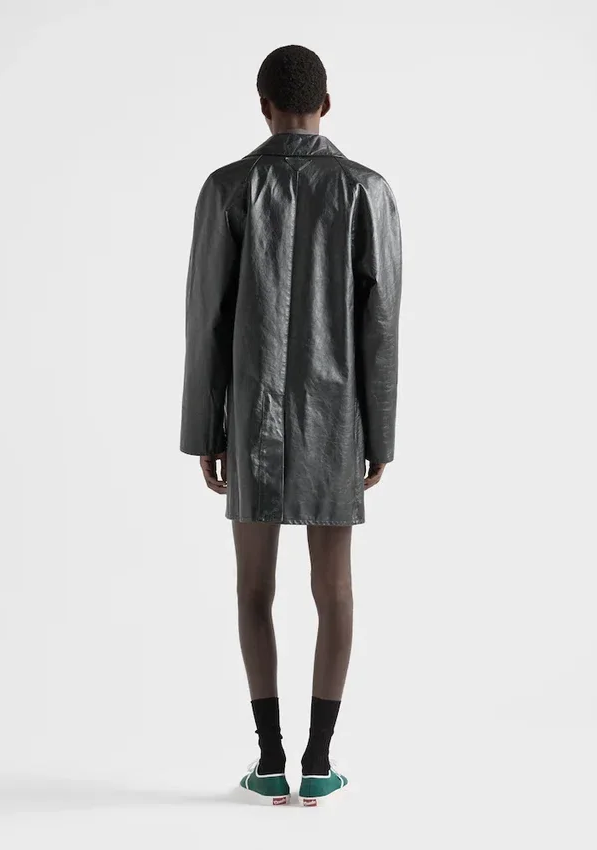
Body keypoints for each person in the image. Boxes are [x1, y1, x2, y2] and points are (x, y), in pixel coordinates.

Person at [179, 44, 402, 806]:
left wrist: (204, 430)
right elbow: (381, 323)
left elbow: (206, 320)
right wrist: (380, 434)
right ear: (326, 104)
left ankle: (269, 759)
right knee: (334, 589)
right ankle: (321, 761)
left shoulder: (227, 187)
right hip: (339, 420)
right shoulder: (367, 189)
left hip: (251, 417)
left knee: (253, 587)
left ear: (263, 105)